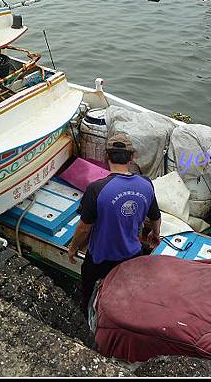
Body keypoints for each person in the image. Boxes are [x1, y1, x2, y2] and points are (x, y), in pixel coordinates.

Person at [67, 132, 161, 317]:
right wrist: (155, 234)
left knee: (87, 296)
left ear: (106, 156)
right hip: (132, 255)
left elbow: (84, 227)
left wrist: (73, 247)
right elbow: (155, 217)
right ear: (132, 157)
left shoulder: (96, 189)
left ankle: (88, 322)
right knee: (125, 297)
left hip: (100, 259)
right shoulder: (146, 184)